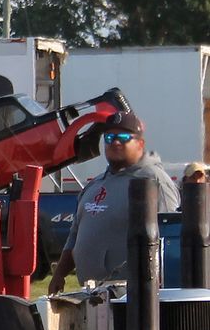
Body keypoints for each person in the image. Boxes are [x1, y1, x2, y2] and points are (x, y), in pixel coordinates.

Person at [48, 112, 179, 294]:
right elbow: (74, 237)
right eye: (109, 137)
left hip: (134, 296)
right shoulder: (94, 186)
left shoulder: (154, 181)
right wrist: (59, 274)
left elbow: (170, 238)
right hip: (92, 294)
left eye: (124, 137)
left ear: (140, 144)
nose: (115, 142)